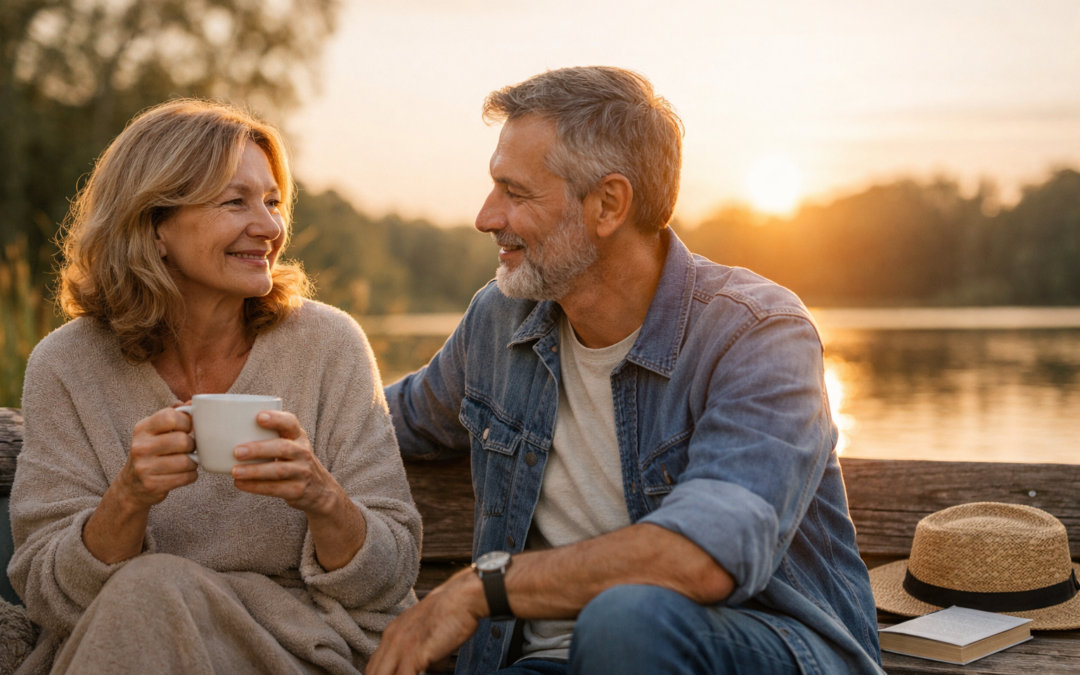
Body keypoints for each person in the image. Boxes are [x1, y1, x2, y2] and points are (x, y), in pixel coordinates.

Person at [370, 67, 883, 675]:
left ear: (608, 204)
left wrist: (480, 588)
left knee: (626, 622)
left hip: (763, 649)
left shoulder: (758, 334)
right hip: (551, 663)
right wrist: (255, 418)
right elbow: (380, 421)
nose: (486, 216)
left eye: (515, 192)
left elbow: (702, 556)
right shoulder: (500, 320)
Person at [8, 99, 421, 675]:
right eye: (236, 202)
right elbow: (49, 595)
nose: (270, 227)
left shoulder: (328, 345)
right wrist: (128, 497)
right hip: (128, 643)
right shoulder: (67, 365)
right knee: (148, 594)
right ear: (153, 226)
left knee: (151, 589)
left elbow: (391, 572)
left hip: (298, 649)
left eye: (273, 202)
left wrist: (320, 495)